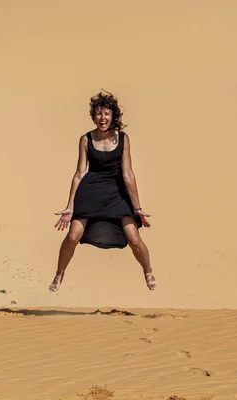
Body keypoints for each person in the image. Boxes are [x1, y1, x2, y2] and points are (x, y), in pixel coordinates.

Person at [49, 91, 157, 292]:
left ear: (113, 116)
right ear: (93, 117)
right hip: (91, 190)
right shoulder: (86, 139)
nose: (103, 118)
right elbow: (80, 173)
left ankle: (148, 271)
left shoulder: (123, 139)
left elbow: (128, 174)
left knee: (134, 239)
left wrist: (137, 207)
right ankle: (59, 273)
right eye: (99, 114)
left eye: (107, 114)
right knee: (73, 236)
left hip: (117, 191)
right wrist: (70, 206)